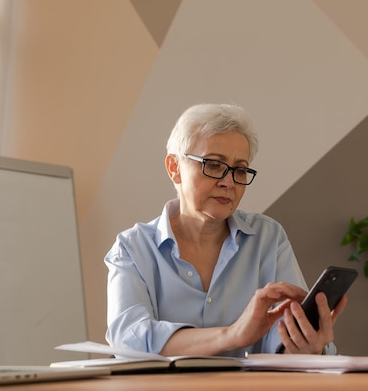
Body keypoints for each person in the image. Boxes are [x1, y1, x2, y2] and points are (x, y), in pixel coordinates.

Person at [105, 103, 347, 358]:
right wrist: (231, 334)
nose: (228, 182)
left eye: (240, 169)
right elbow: (127, 340)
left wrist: (305, 345)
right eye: (213, 165)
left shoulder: (268, 238)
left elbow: (281, 338)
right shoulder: (132, 248)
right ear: (174, 168)